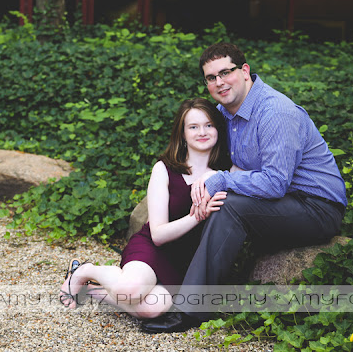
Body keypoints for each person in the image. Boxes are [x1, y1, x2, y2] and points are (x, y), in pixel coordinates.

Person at [142, 42, 347, 333]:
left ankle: (191, 310)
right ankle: (179, 276)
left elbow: (275, 183)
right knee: (218, 197)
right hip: (279, 205)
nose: (219, 82)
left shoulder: (275, 112)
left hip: (316, 207)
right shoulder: (222, 114)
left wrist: (221, 179)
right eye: (211, 78)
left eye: (225, 72)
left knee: (229, 205)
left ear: (245, 71)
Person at [59, 98, 232, 319]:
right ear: (182, 133)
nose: (202, 132)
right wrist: (198, 216)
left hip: (187, 261)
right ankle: (85, 270)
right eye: (193, 126)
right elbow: (158, 235)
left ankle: (92, 290)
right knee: (129, 290)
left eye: (209, 125)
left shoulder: (228, 171)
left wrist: (214, 176)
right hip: (152, 248)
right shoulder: (164, 169)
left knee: (151, 309)